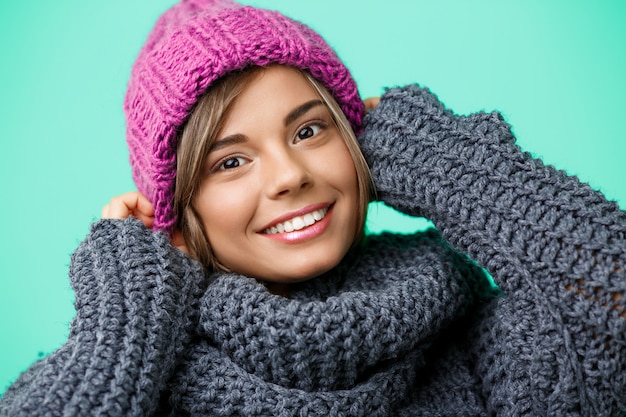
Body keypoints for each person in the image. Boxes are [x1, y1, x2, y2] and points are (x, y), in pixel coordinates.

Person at [1, 0, 625, 415]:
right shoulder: (139, 374)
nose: (290, 176)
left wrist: (446, 163)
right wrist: (123, 317)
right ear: (180, 217)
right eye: (230, 162)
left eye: (308, 132)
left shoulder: (483, 343)